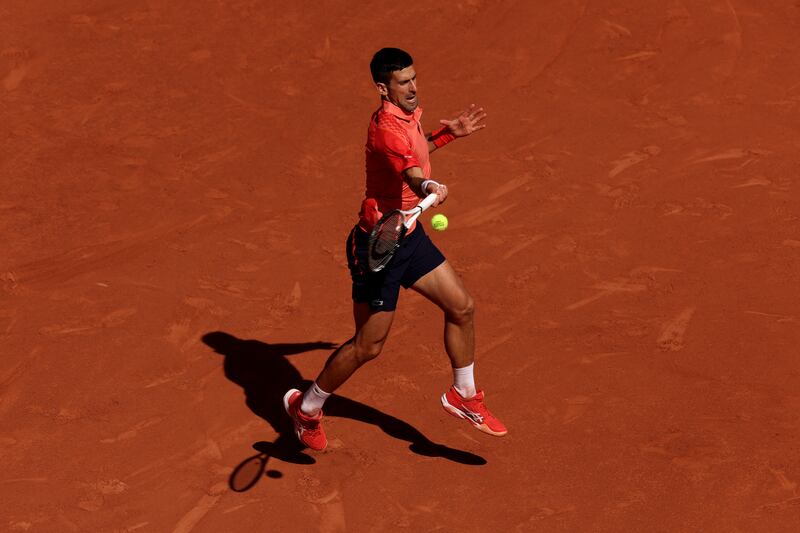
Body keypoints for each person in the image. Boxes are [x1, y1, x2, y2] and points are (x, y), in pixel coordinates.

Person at [283, 47, 507, 451]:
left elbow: (417, 150)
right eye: (403, 82)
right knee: (368, 345)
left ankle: (465, 395)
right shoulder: (386, 128)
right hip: (378, 243)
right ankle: (307, 408)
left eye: (414, 78)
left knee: (462, 306)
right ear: (383, 88)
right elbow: (412, 172)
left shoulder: (407, 119)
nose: (413, 87)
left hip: (407, 234)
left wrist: (446, 134)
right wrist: (428, 188)